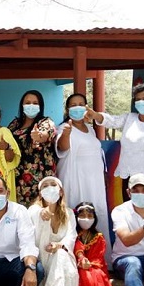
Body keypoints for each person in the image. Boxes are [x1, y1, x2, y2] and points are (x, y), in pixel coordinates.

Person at [88, 83, 144, 205]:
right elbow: (112, 121)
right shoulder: (129, 119)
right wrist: (95, 115)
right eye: (138, 99)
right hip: (129, 178)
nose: (141, 102)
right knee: (130, 212)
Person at [28, 177, 90, 286]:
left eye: (53, 185)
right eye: (45, 186)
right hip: (42, 260)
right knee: (60, 259)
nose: (49, 188)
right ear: (40, 193)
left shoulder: (68, 213)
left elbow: (71, 237)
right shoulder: (34, 211)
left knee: (61, 256)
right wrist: (42, 216)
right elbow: (31, 236)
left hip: (63, 259)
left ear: (61, 191)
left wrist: (59, 246)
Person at [56, 93, 111, 258]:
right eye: (73, 105)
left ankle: (97, 256)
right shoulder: (64, 128)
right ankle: (75, 256)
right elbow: (62, 148)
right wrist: (66, 134)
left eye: (81, 104)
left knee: (96, 213)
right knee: (76, 213)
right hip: (75, 179)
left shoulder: (91, 129)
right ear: (67, 109)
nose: (77, 107)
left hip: (94, 181)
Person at [72, 202, 122, 286]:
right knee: (84, 276)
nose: (86, 219)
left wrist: (89, 264)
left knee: (96, 276)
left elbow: (98, 258)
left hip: (94, 266)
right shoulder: (72, 234)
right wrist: (80, 261)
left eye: (89, 216)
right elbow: (74, 249)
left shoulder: (98, 237)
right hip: (75, 265)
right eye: (82, 216)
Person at [7, 90, 57, 206]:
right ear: (22, 105)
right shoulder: (15, 124)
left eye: (35, 103)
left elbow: (46, 134)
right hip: (19, 177)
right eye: (28, 102)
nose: (31, 105)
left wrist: (38, 136)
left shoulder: (45, 122)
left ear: (40, 106)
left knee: (41, 210)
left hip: (40, 177)